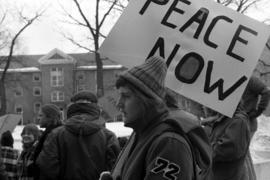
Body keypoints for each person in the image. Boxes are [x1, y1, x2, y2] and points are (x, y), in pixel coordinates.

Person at [100, 56, 200, 180]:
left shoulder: (169, 144)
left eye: (126, 96)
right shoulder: (143, 134)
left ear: (146, 100)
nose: (118, 103)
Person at [36, 91, 119, 180]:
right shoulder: (108, 136)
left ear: (72, 107)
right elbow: (115, 170)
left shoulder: (56, 134)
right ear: (96, 108)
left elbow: (47, 166)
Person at [201, 103, 255, 180]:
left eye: (205, 104)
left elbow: (223, 151)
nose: (203, 106)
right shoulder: (223, 118)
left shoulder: (238, 121)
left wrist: (200, 147)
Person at [31, 104, 62, 180]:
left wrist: (34, 168)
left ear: (50, 117)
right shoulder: (54, 132)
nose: (38, 118)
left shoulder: (53, 134)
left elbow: (48, 163)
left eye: (41, 115)